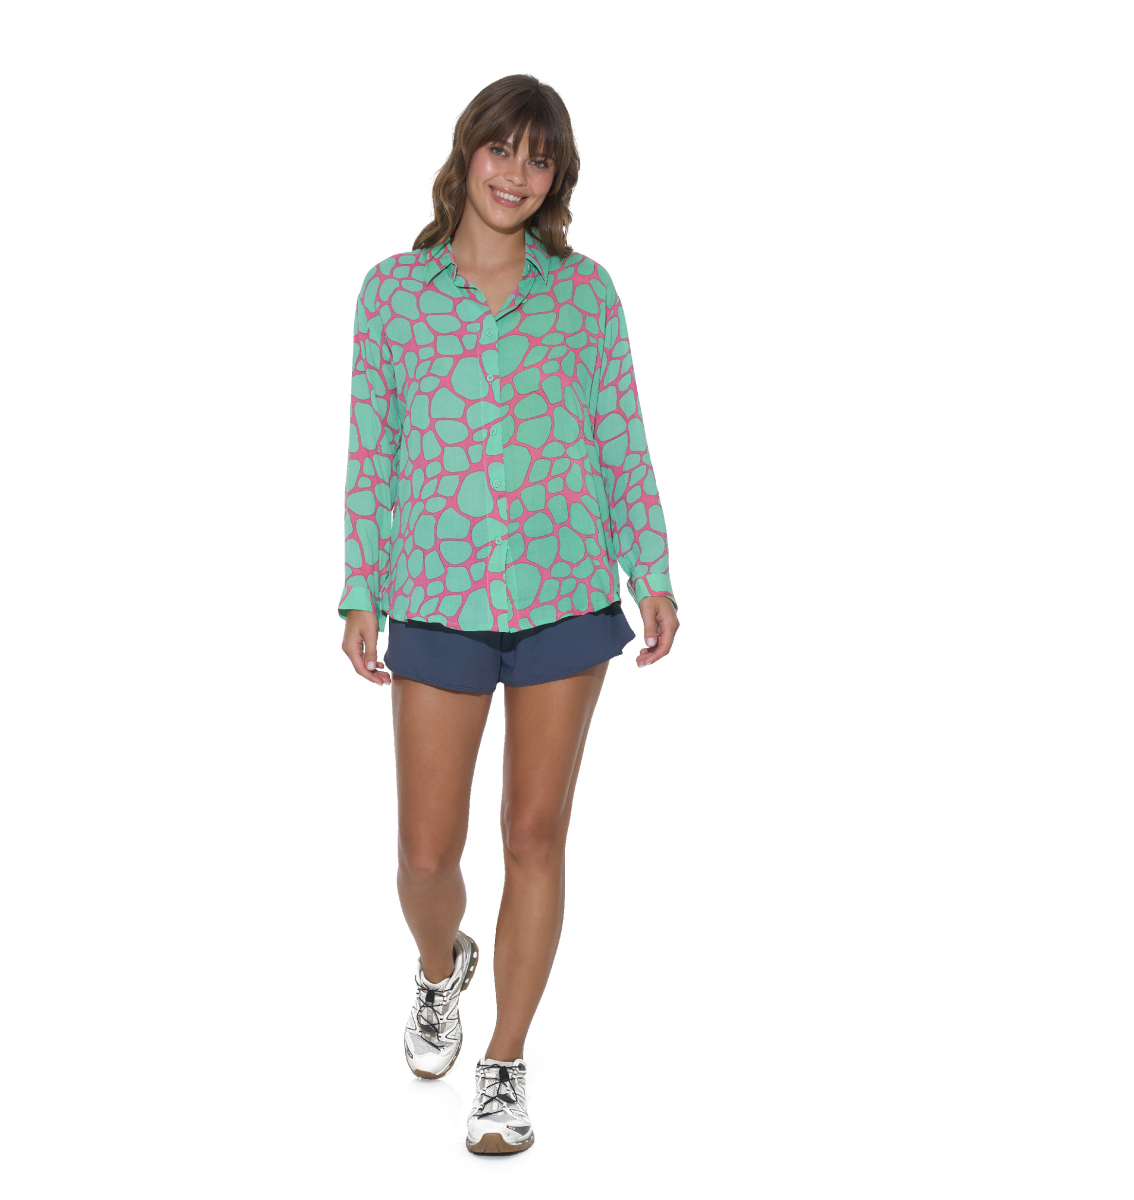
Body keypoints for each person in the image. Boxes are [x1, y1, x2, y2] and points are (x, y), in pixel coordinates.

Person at [338, 74, 679, 1156]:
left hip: (565, 591)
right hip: (436, 597)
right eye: (503, 149)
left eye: (540, 159)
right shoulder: (394, 292)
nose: (516, 174)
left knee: (535, 833)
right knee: (424, 855)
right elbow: (373, 450)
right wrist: (361, 588)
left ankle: (505, 1060)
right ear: (468, 152)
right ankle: (441, 968)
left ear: (556, 179)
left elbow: (620, 434)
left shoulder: (586, 294)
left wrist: (652, 567)